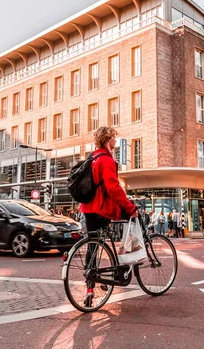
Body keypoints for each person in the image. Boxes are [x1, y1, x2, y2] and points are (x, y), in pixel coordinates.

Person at [79, 126, 137, 306]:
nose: (115, 141)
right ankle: (127, 259)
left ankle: (90, 287)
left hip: (87, 209)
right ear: (107, 140)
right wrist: (129, 206)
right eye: (113, 138)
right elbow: (113, 188)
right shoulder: (106, 160)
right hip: (102, 208)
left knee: (92, 246)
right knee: (131, 218)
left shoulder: (92, 158)